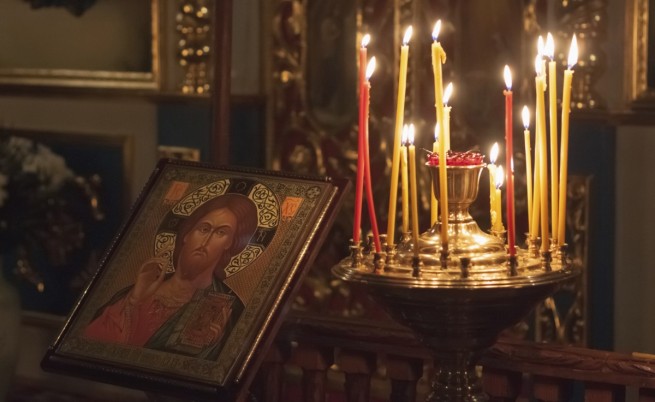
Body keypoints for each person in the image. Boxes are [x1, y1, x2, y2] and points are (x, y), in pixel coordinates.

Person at [84, 193, 258, 360]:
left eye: (221, 233)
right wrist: (134, 301)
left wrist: (212, 346)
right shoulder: (140, 289)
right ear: (188, 233)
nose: (206, 240)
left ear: (229, 243)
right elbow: (89, 345)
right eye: (204, 229)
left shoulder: (228, 308)